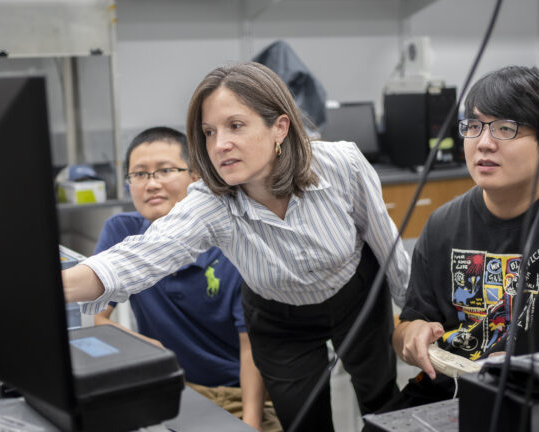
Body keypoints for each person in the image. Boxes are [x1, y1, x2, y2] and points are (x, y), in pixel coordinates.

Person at [64, 61, 411, 431]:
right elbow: (139, 257)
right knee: (303, 422)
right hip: (280, 318)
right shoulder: (211, 202)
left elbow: (386, 242)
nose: (220, 144)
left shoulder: (341, 164)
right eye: (209, 132)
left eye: (235, 126)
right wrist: (47, 289)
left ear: (279, 126)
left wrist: (415, 314)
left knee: (381, 403)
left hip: (354, 294)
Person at [391, 65, 539, 409]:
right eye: (474, 127)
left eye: (505, 128)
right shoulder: (442, 224)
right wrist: (412, 336)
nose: (484, 143)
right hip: (453, 392)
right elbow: (406, 325)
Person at [92, 126, 280, 431]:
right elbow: (91, 318)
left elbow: (251, 349)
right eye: (139, 174)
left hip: (235, 393)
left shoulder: (231, 242)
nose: (151, 184)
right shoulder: (122, 232)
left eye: (165, 170)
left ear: (196, 178)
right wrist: (149, 347)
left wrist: (250, 423)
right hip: (166, 388)